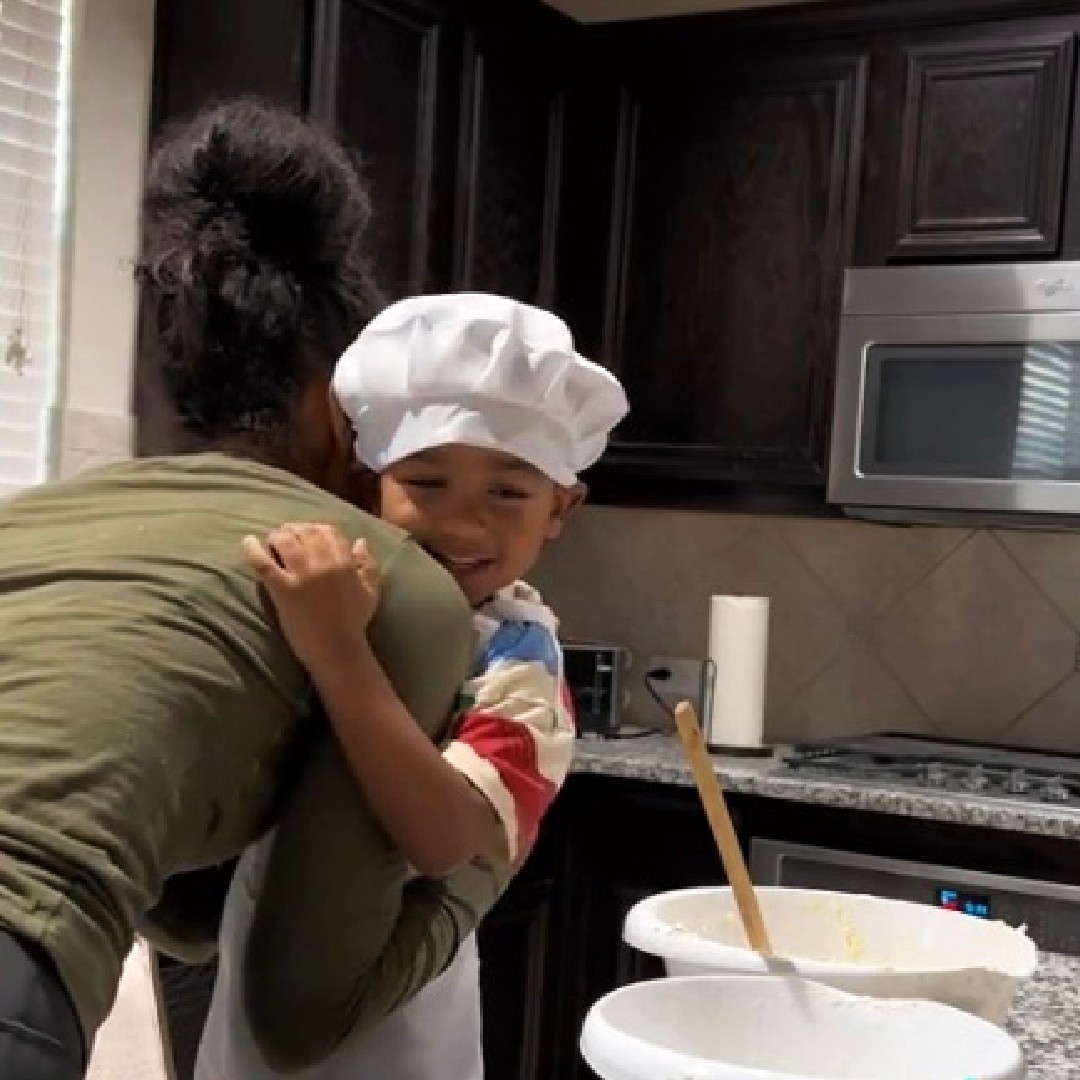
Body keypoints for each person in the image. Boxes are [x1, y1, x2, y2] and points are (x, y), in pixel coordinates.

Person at [0, 99, 496, 1080]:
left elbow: (178, 903)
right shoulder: (385, 583)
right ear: (339, 411)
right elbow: (296, 1012)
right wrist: (487, 852)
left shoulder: (29, 518)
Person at [194, 293, 629, 1080]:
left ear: (561, 507)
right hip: (255, 965)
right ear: (370, 486)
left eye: (508, 492)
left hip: (391, 1022)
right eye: (427, 482)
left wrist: (338, 654)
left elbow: (442, 837)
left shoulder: (520, 663)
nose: (463, 524)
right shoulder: (328, 587)